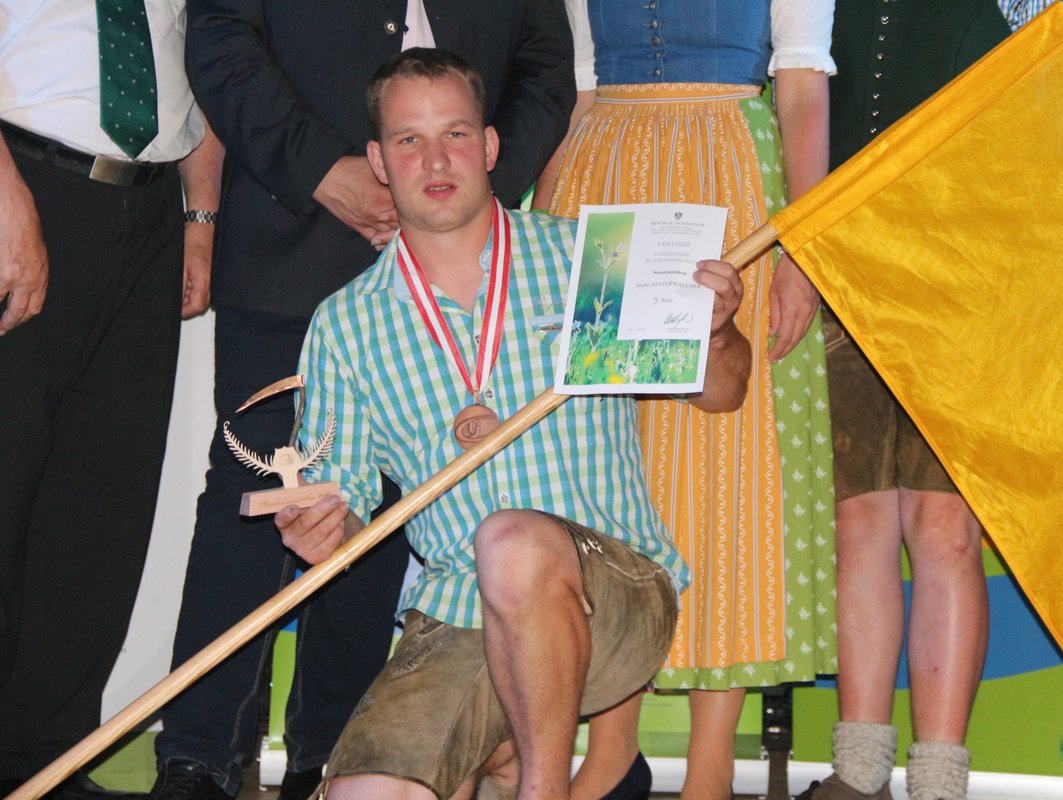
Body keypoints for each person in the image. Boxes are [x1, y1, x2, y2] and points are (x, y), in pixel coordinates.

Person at [272, 47, 752, 800]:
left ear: (490, 146)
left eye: (456, 134)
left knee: (512, 541)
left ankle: (539, 787)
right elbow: (343, 506)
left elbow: (722, 394)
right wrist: (319, 529)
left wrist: (716, 333)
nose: (436, 159)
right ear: (379, 161)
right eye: (408, 139)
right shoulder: (345, 324)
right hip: (456, 616)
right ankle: (500, 757)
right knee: (366, 794)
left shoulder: (587, 260)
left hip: (615, 597)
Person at [151, 5, 577, 800]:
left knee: (391, 503)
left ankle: (331, 754)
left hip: (449, 253)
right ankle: (198, 755)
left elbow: (545, 67)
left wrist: (459, 194)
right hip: (289, 234)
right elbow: (220, 35)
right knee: (261, 492)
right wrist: (318, 168)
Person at [533, 1, 838, 797]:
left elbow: (802, 87)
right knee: (607, 464)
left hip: (730, 174)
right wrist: (543, 234)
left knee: (725, 466)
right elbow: (583, 88)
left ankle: (712, 761)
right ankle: (612, 747)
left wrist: (803, 248)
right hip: (606, 177)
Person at [0, 0, 223, 796]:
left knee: (100, 506)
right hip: (25, 182)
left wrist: (200, 216)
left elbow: (192, 53)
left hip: (151, 206)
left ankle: (48, 763)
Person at [795, 2, 1013, 799]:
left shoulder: (984, 15)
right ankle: (858, 773)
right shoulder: (815, 10)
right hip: (842, 278)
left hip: (958, 285)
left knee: (946, 530)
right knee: (860, 525)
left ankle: (939, 780)